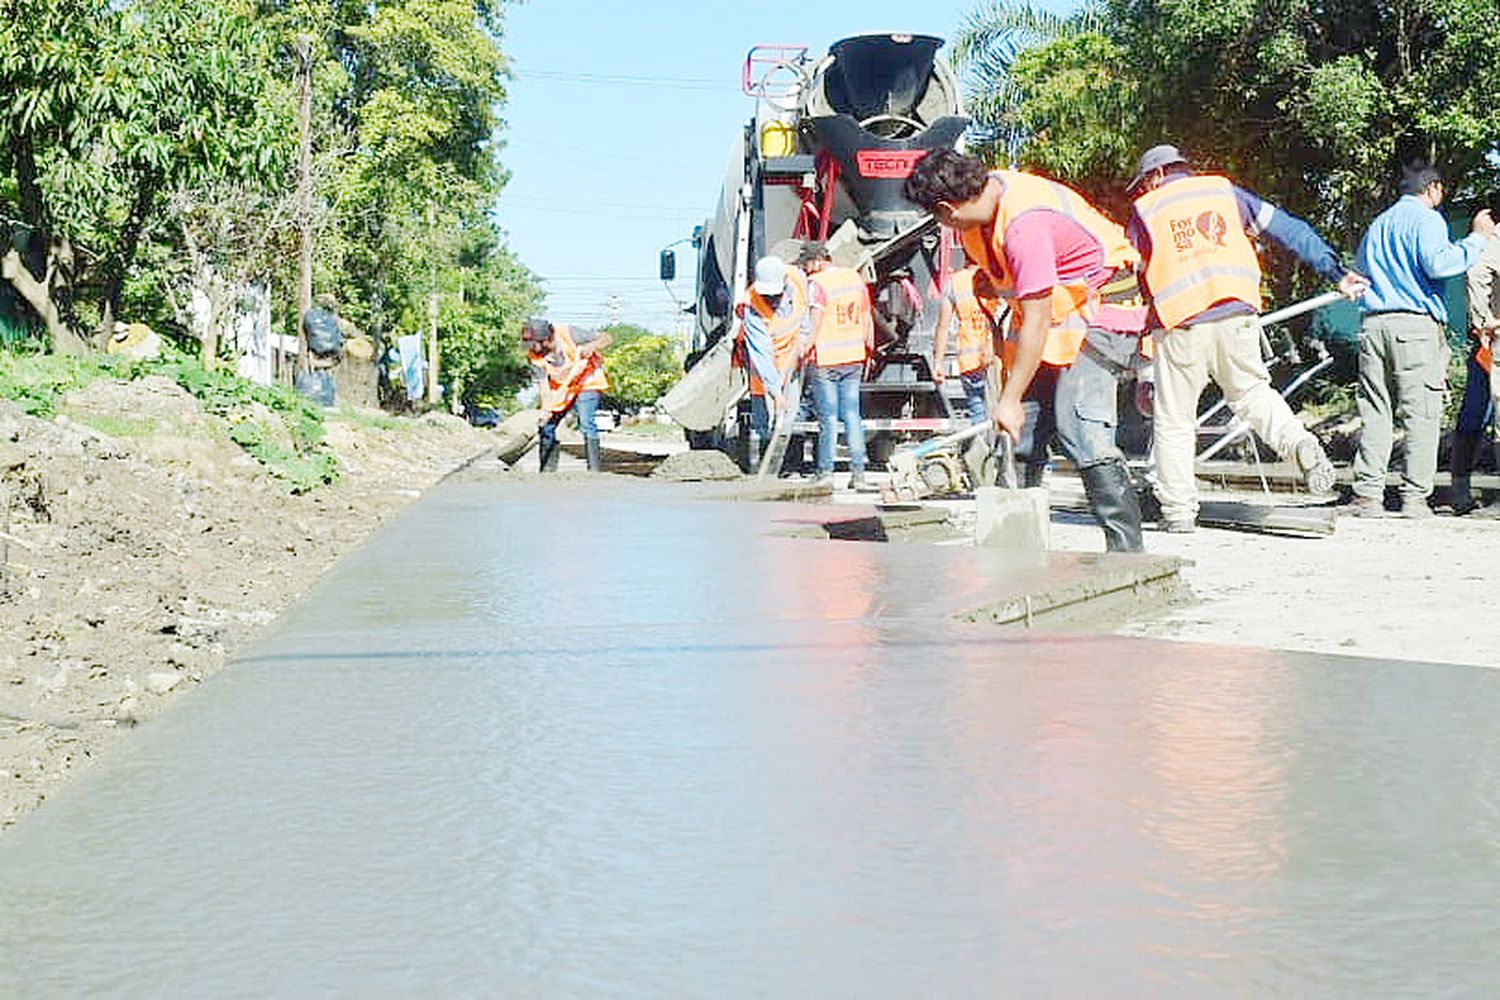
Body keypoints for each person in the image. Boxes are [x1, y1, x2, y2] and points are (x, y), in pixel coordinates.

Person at [904, 149, 1150, 553]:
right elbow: (1009, 284)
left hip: (1101, 310)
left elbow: (1035, 320)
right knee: (1021, 431)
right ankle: (1012, 551)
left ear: (947, 208)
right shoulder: (984, 208)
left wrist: (1010, 398)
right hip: (1057, 318)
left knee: (1078, 426)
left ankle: (1129, 557)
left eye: (936, 216)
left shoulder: (1024, 226)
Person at [1125, 144, 1368, 532]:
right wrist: (1335, 272)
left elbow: (1135, 286)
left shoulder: (1147, 210)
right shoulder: (1224, 192)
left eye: (1144, 184)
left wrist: (1144, 367)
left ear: (1155, 175)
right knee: (1252, 394)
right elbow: (1291, 230)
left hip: (1180, 324)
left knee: (1175, 419)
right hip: (1238, 315)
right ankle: (1298, 443)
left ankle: (1179, 512)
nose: (1143, 192)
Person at [1350, 164, 1497, 517]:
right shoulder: (1428, 220)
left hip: (1373, 324)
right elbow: (1438, 265)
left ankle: (1367, 495)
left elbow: (1358, 274)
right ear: (1431, 189)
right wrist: (1476, 237)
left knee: (1376, 410)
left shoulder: (1380, 223)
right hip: (1414, 326)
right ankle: (1414, 498)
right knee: (1422, 413)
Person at [1439, 194, 1500, 514]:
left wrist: (1482, 322)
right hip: (1491, 338)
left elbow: (1475, 273)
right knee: (1480, 409)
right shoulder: (1495, 234)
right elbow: (1477, 272)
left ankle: (1459, 487)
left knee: (1476, 409)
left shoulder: (1491, 232)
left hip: (1487, 338)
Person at [802, 242, 874, 490]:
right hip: (854, 357)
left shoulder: (818, 284)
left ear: (818, 260)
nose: (806, 269)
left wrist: (801, 352)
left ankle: (825, 473)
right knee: (853, 416)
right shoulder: (855, 278)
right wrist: (867, 350)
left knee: (829, 419)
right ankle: (859, 475)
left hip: (826, 361)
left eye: (807, 263)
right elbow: (866, 318)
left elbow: (815, 325)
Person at [736, 254, 810, 469]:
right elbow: (761, 353)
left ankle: (788, 467)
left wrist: (803, 339)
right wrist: (775, 391)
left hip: (792, 361)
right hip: (764, 368)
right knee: (764, 416)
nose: (770, 299)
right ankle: (761, 467)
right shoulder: (751, 305)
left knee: (791, 415)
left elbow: (804, 313)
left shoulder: (797, 278)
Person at [522, 318, 612, 473]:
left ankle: (594, 470)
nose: (531, 348)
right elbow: (544, 387)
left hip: (586, 382)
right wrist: (546, 410)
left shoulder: (569, 333)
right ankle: (547, 470)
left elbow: (607, 338)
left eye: (534, 344)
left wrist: (592, 346)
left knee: (586, 421)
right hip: (562, 389)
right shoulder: (534, 357)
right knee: (547, 426)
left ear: (547, 339)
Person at [931, 263, 1003, 423]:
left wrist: (937, 363)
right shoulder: (996, 275)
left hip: (968, 361)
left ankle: (980, 444)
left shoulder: (954, 283)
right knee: (998, 415)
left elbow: (942, 327)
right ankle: (997, 446)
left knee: (977, 414)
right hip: (995, 359)